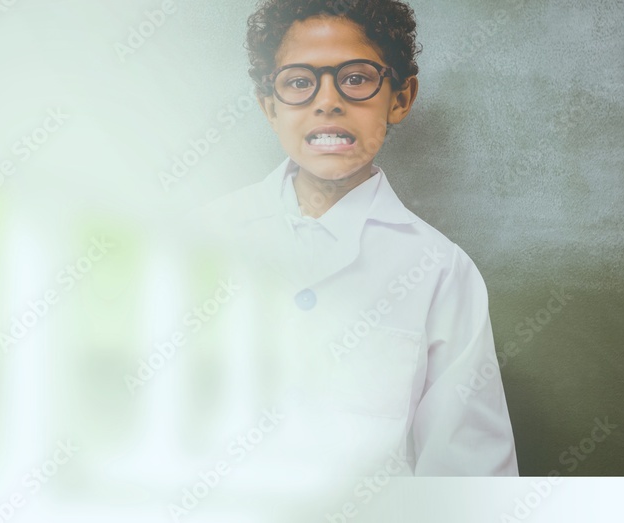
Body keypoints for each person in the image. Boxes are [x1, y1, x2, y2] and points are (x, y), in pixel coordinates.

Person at [187, 0, 518, 479]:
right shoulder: (199, 242)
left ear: (400, 99)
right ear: (269, 108)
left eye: (357, 78)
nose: (327, 101)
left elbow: (467, 475)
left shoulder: (442, 271)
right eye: (299, 82)